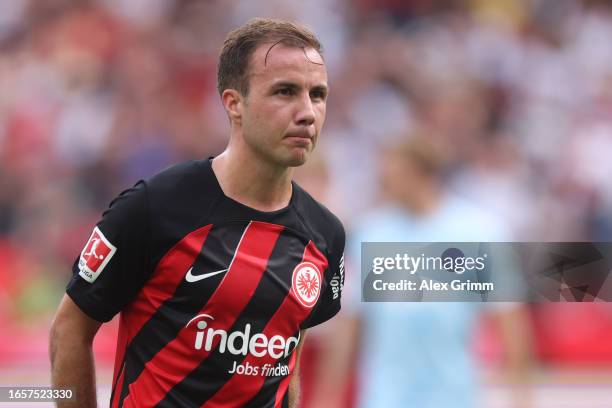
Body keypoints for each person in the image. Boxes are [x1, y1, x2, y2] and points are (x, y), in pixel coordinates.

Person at [49, 18, 345, 408]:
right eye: (285, 92)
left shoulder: (326, 235)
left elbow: (286, 366)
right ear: (233, 103)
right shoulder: (156, 207)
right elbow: (70, 329)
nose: (307, 112)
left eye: (317, 95)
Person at [309, 136, 532, 408]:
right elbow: (351, 324)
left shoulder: (478, 231)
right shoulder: (372, 233)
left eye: (393, 173)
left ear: (421, 173)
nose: (385, 181)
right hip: (384, 397)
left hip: (454, 396)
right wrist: (327, 396)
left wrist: (521, 396)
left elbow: (509, 319)